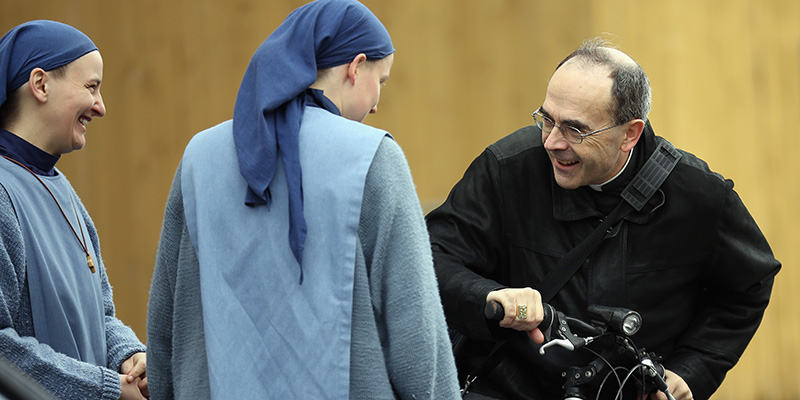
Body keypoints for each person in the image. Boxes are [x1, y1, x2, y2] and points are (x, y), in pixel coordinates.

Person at [426, 38, 781, 400]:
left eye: (574, 129)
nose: (551, 141)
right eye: (546, 119)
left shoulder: (700, 194)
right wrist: (490, 296)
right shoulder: (506, 168)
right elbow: (432, 260)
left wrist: (692, 370)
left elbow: (747, 287)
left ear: (630, 133)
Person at [145, 1, 460, 399]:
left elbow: (165, 324)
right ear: (355, 67)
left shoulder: (198, 157)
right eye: (381, 81)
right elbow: (417, 333)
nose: (378, 102)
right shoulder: (374, 158)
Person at [0, 20, 148, 399]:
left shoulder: (62, 189)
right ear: (40, 84)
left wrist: (128, 357)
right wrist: (105, 389)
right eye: (91, 87)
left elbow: (101, 314)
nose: (100, 107)